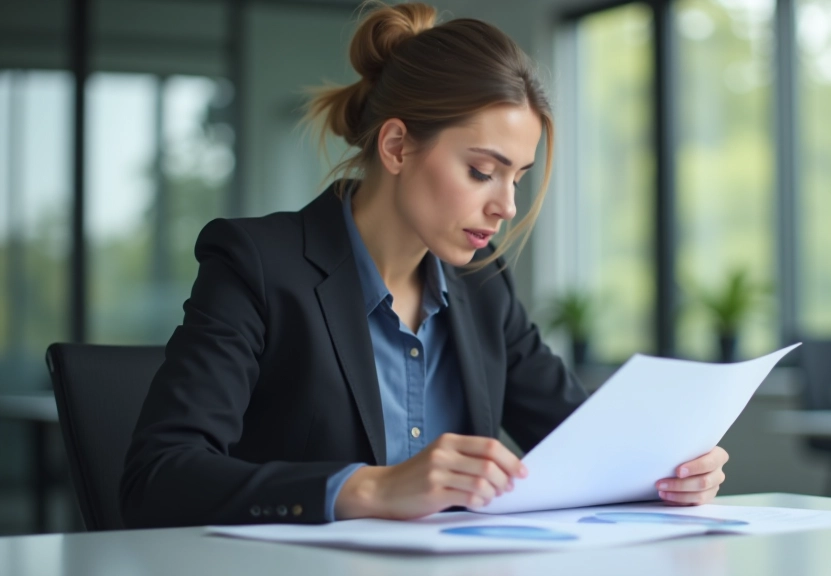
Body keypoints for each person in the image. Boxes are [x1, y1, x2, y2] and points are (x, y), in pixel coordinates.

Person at [119, 1, 728, 528]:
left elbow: (583, 443)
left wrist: (669, 469)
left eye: (517, 177)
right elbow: (159, 479)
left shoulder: (481, 282)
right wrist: (369, 488)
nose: (507, 206)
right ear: (396, 146)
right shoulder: (257, 264)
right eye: (481, 171)